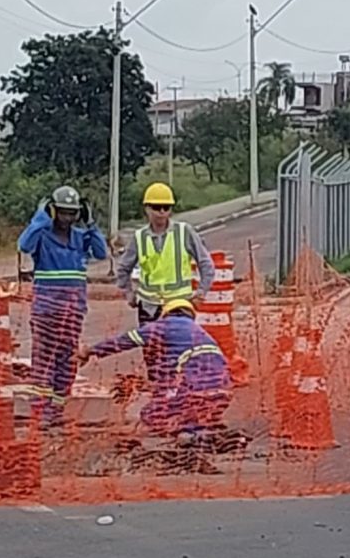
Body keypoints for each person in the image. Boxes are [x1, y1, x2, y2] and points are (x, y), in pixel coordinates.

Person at [78, 295, 233, 438]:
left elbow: (125, 341)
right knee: (193, 416)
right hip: (223, 394)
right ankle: (204, 433)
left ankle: (189, 438)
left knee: (151, 415)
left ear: (166, 314)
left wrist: (91, 351)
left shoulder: (162, 326)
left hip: (195, 392)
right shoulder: (201, 332)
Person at [18, 185, 108, 425]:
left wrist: (91, 225)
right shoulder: (43, 235)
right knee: (44, 360)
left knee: (66, 361)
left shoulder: (80, 237)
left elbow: (101, 253)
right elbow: (24, 245)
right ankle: (42, 412)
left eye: (72, 213)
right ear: (53, 210)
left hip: (72, 311)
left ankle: (57, 410)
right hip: (46, 311)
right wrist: (40, 218)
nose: (67, 218)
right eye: (63, 212)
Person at [112, 181, 215, 324]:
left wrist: (202, 291)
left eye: (166, 207)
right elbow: (123, 268)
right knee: (151, 346)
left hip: (180, 306)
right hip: (149, 307)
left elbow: (205, 263)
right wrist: (129, 293)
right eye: (156, 207)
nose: (162, 211)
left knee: (178, 345)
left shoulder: (184, 232)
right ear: (147, 209)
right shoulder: (139, 237)